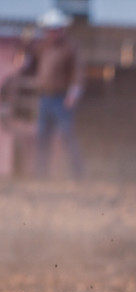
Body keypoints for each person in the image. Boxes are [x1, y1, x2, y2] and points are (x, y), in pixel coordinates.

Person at [22, 8, 84, 179]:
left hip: (61, 98)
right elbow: (28, 60)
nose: (52, 33)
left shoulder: (70, 48)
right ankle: (41, 174)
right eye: (50, 30)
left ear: (62, 30)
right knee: (42, 137)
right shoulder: (42, 47)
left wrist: (73, 94)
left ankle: (77, 174)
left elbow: (76, 74)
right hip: (45, 98)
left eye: (55, 29)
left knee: (67, 136)